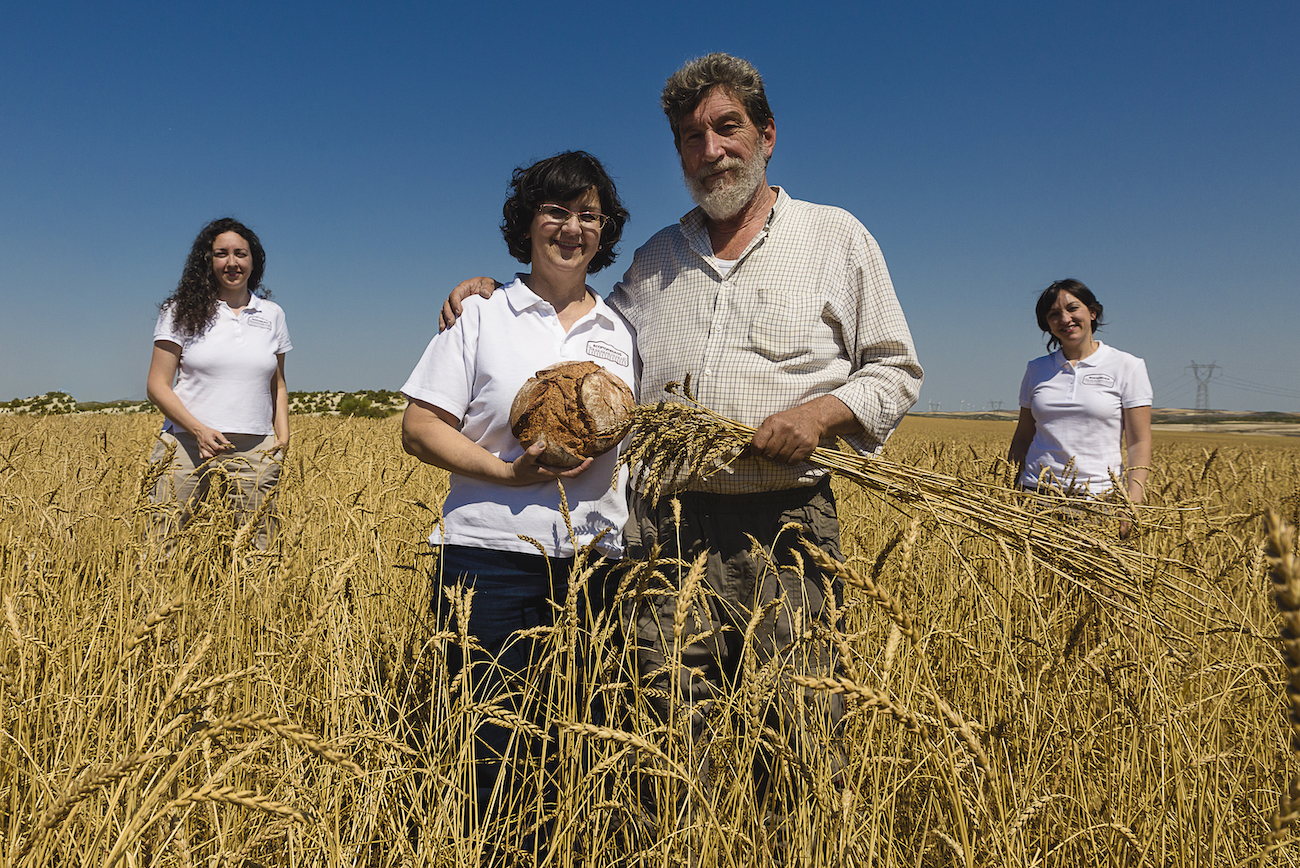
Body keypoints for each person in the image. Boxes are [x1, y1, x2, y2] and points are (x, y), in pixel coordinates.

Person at [440, 53, 922, 802]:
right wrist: (494, 291)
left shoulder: (837, 239)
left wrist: (818, 414)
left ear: (766, 134)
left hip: (785, 526)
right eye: (691, 137)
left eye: (727, 128)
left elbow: (894, 370)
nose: (711, 149)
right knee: (667, 733)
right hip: (663, 531)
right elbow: (583, 339)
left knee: (795, 730)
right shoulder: (659, 256)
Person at [399, 151, 635, 830]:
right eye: (555, 211)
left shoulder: (622, 329)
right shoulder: (482, 315)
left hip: (595, 564)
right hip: (489, 559)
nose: (571, 228)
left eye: (588, 215)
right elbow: (419, 428)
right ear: (528, 223)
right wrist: (506, 473)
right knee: (493, 761)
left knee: (582, 749)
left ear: (604, 230)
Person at [146, 217, 291, 550]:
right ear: (207, 261)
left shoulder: (272, 314)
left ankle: (252, 605)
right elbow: (157, 385)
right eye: (221, 254)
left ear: (253, 260)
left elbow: (278, 383)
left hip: (256, 449)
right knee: (162, 545)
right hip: (186, 446)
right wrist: (198, 430)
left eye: (240, 253)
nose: (232, 262)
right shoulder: (179, 310)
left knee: (259, 550)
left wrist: (282, 438)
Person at [1007, 279, 1152, 536]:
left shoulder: (1127, 366)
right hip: (1034, 496)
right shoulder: (1036, 369)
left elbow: (1139, 443)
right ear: (1047, 325)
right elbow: (1023, 436)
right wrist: (1009, 488)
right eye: (1054, 315)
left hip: (1098, 500)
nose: (1065, 319)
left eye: (1073, 308)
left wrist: (1132, 503)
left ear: (1092, 312)